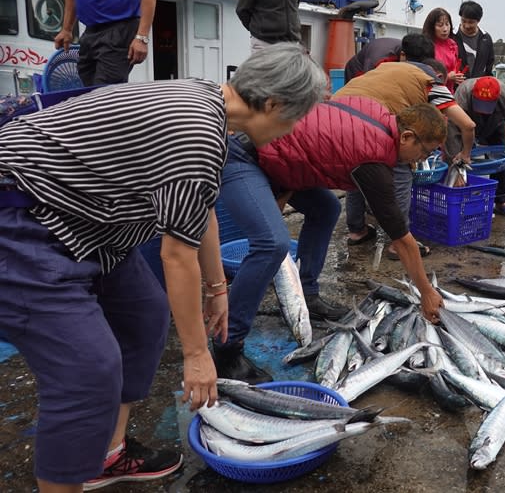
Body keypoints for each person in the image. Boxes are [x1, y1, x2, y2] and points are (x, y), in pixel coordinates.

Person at [0, 43, 320, 491]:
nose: (292, 130)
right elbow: (175, 254)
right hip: (25, 216)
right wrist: (196, 355)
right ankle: (68, 475)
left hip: (95, 225)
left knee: (145, 313)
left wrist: (216, 287)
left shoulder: (211, 106)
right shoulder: (198, 132)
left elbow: (199, 206)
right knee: (87, 371)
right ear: (273, 105)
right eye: (295, 118)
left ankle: (105, 454)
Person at [214, 100, 447, 382]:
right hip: (244, 157)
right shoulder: (374, 157)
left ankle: (308, 295)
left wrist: (283, 189)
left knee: (326, 209)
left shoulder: (379, 115)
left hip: (278, 159)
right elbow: (402, 240)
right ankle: (227, 348)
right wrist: (426, 293)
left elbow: (305, 144)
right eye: (423, 152)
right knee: (272, 243)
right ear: (407, 136)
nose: (417, 161)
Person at [336, 54, 475, 259]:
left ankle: (357, 231)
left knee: (357, 173)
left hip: (337, 114)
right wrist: (465, 154)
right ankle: (398, 244)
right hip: (370, 122)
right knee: (402, 175)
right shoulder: (429, 82)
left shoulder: (386, 69)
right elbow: (468, 125)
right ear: (438, 76)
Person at [447, 76, 505, 217]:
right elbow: (452, 131)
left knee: (501, 158)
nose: (482, 110)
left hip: (495, 123)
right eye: (480, 104)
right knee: (461, 158)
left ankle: (501, 201)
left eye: (486, 106)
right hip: (466, 124)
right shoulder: (463, 94)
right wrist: (456, 165)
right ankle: (462, 198)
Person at [452, 0, 496, 79]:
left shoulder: (486, 38)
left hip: (478, 86)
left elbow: (489, 64)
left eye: (471, 22)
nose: (467, 25)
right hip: (455, 87)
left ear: (478, 21)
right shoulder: (452, 36)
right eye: (463, 21)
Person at [422, 7, 463, 88]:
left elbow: (454, 67)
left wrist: (456, 75)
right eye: (440, 25)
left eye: (447, 24)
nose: (445, 29)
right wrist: (447, 77)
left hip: (449, 91)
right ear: (431, 27)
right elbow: (423, 73)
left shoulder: (452, 44)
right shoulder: (425, 45)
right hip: (431, 91)